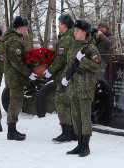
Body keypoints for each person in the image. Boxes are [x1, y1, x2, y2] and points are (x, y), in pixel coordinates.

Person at [61, 20, 102, 157]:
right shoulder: (73, 45)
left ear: (84, 32)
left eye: (77, 30)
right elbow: (70, 64)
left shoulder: (91, 48)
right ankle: (79, 144)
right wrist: (65, 79)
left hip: (85, 88)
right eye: (75, 30)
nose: (75, 32)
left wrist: (82, 60)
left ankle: (86, 146)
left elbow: (98, 67)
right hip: (73, 87)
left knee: (85, 117)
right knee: (75, 117)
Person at [42, 13, 77, 142]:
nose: (58, 25)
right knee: (69, 102)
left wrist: (50, 70)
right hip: (70, 74)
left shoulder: (67, 39)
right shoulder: (71, 36)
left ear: (65, 25)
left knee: (60, 102)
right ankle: (73, 132)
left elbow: (61, 58)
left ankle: (66, 133)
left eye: (60, 23)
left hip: (64, 74)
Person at [4, 16, 37, 141]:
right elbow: (16, 61)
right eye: (25, 26)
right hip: (15, 77)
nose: (26, 29)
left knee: (16, 102)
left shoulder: (17, 39)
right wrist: (28, 73)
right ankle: (11, 132)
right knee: (15, 103)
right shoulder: (14, 41)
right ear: (20, 27)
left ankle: (12, 129)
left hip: (16, 76)